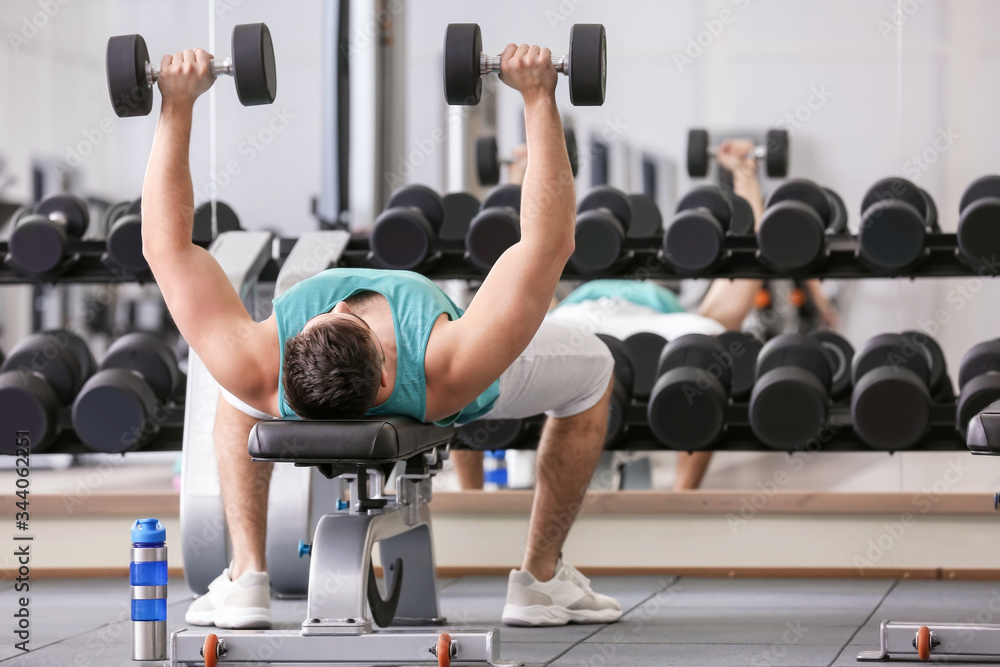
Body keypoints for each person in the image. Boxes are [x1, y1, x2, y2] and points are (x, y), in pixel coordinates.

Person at [142, 43, 622, 629]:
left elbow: (165, 247)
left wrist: (176, 105)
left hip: (264, 377)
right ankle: (541, 580)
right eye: (342, 314)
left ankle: (245, 577)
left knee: (233, 389)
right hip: (480, 372)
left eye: (329, 314)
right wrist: (538, 95)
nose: (340, 301)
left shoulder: (255, 365)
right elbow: (547, 244)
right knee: (594, 368)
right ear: (388, 376)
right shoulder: (449, 362)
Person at [453, 139, 837, 491]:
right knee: (479, 354)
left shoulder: (663, 306)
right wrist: (521, 170)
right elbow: (524, 251)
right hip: (618, 332)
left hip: (604, 332)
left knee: (481, 355)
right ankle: (472, 503)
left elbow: (750, 253)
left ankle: (682, 501)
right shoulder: (583, 305)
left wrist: (745, 173)